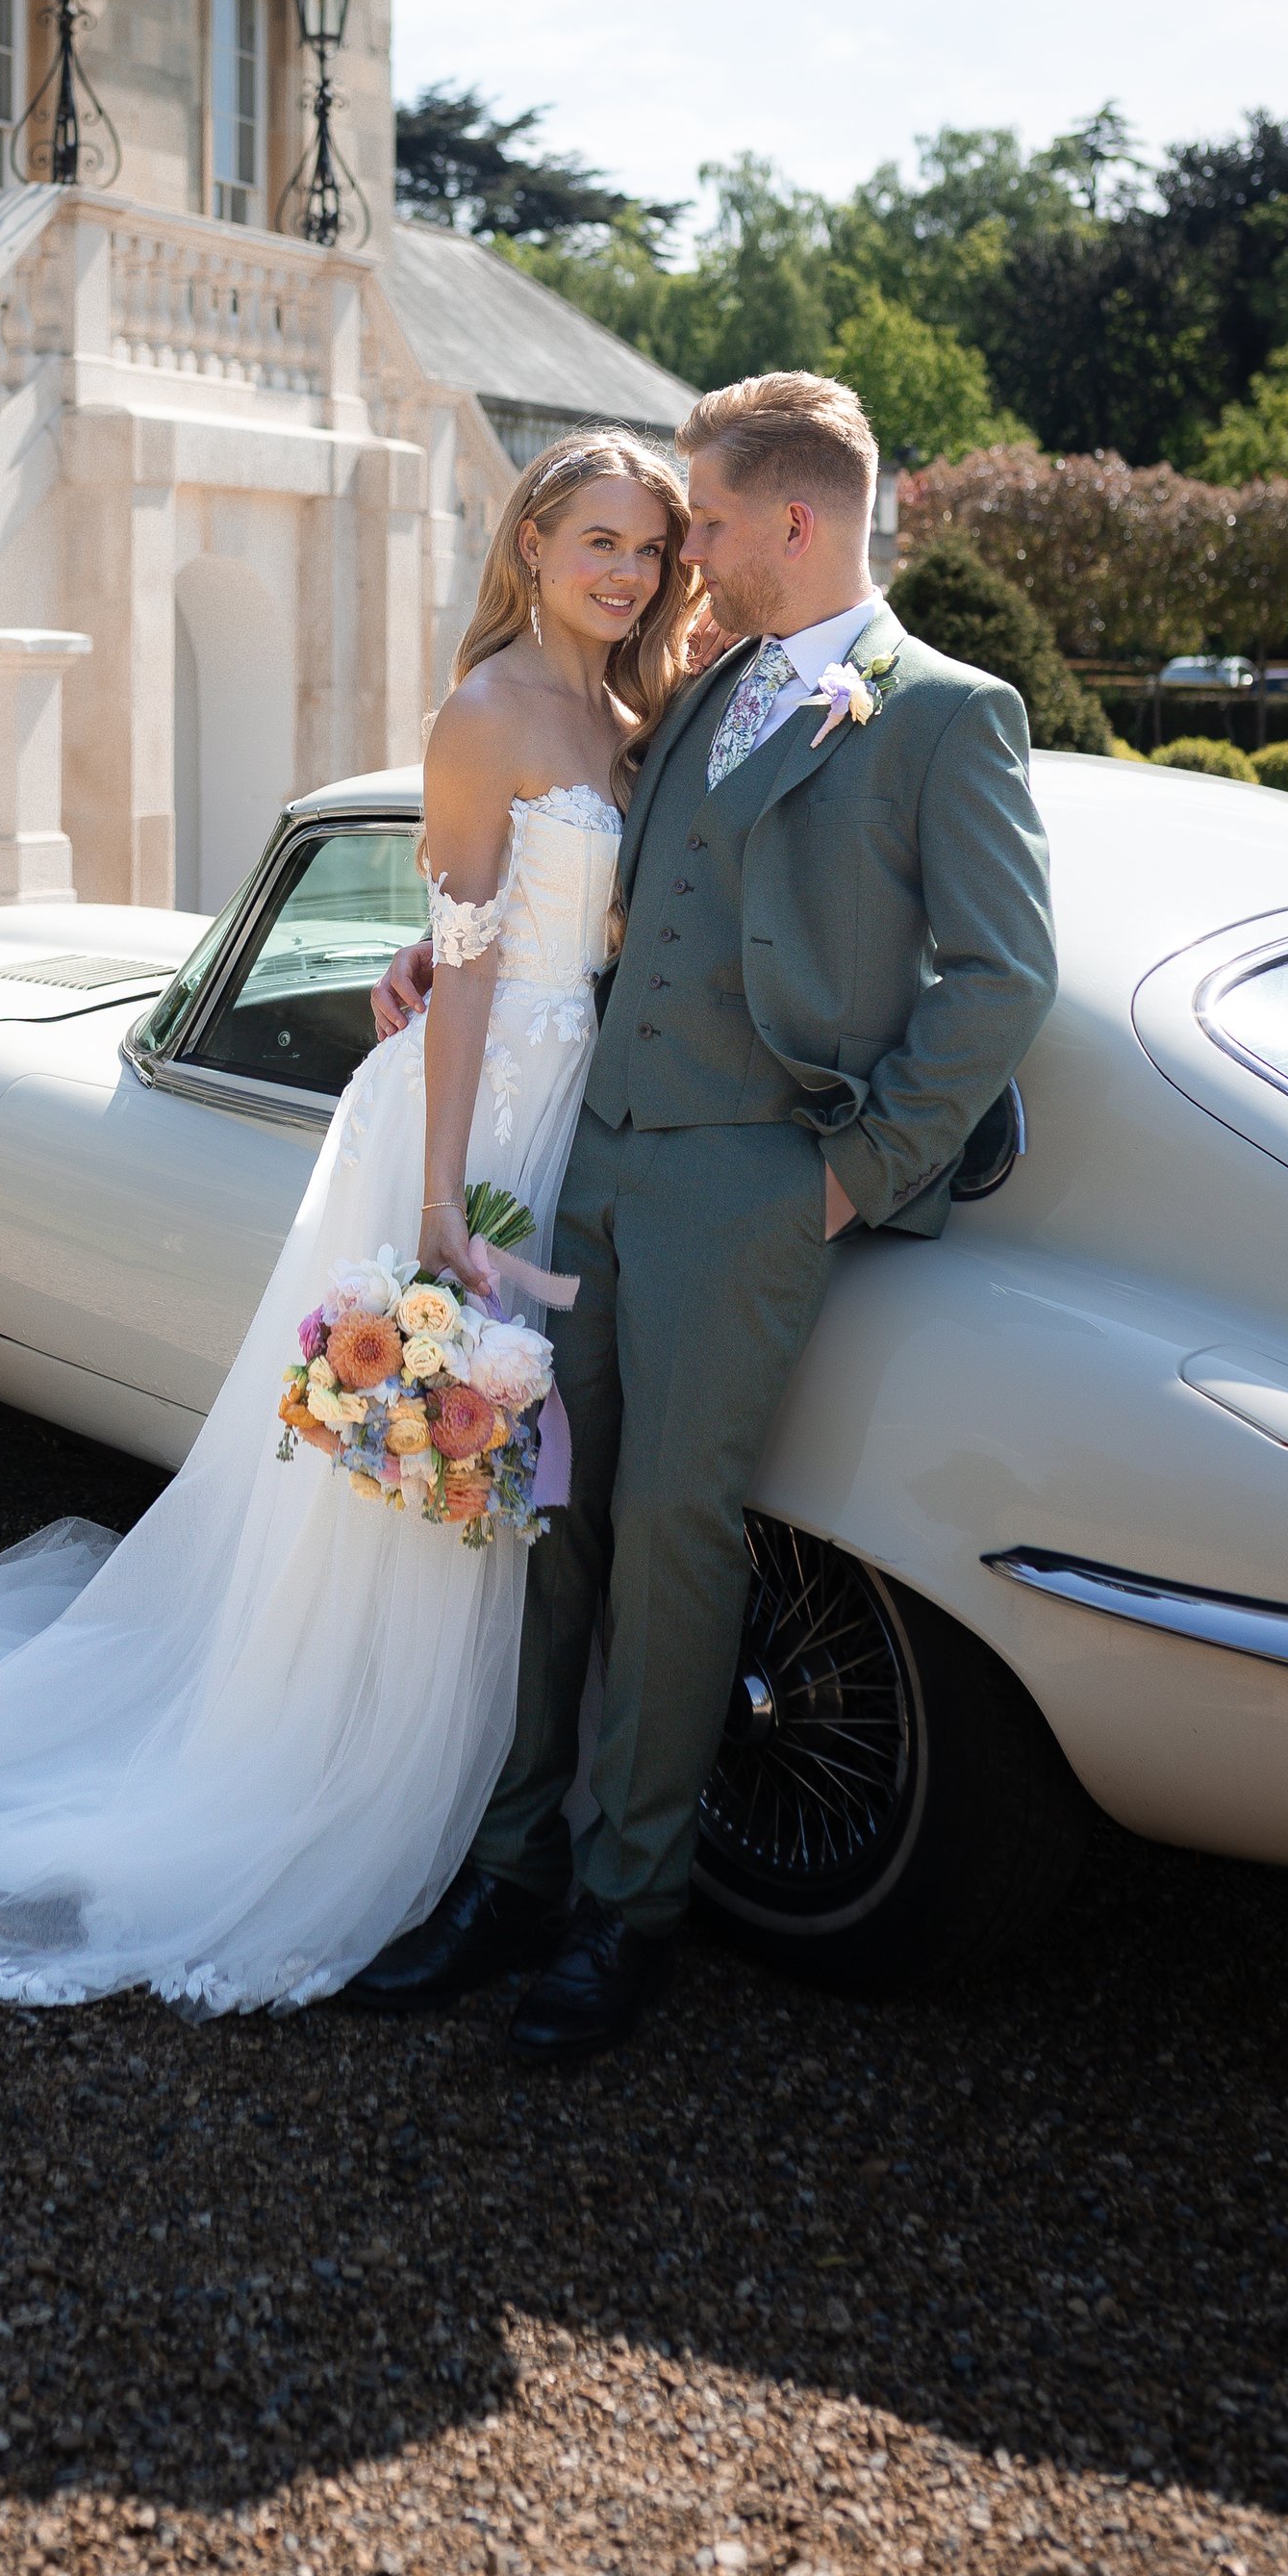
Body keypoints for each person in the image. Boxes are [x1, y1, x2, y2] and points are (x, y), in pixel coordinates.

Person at [0, 432, 700, 2011]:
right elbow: (471, 959)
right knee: (422, 1472)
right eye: (600, 542)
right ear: (535, 539)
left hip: (578, 1107)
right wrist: (438, 1208)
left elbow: (547, 938)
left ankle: (515, 1791)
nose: (624, 575)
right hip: (474, 1120)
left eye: (647, 551)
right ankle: (382, 1785)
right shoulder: (486, 710)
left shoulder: (636, 716)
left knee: (518, 1479)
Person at [347, 370, 1059, 2056]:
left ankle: (627, 1911)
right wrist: (433, 954)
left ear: (791, 522)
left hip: (752, 1185)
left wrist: (846, 1174)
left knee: (673, 1536)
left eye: (712, 526)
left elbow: (1003, 976)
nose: (688, 559)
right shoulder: (701, 682)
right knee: (553, 1512)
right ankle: (510, 1871)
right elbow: (587, 904)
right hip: (592, 1159)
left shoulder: (947, 712)